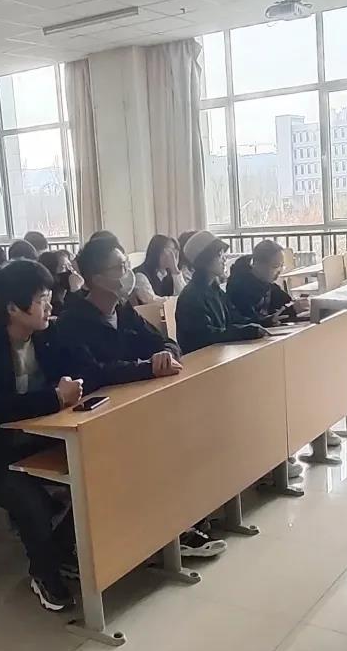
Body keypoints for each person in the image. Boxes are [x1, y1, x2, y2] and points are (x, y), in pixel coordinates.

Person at [55, 237, 226, 558]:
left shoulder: (123, 311)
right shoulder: (72, 322)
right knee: (153, 448)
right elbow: (93, 373)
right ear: (96, 278)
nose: (127, 273)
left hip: (134, 406)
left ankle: (181, 521)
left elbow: (165, 342)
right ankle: (166, 532)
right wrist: (147, 367)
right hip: (97, 420)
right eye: (119, 267)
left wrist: (165, 354)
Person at [0, 260, 84, 611]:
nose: (49, 307)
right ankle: (44, 572)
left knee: (97, 468)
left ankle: (60, 549)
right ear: (12, 308)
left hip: (40, 440)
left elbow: (79, 370)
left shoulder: (47, 335)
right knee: (30, 501)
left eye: (49, 298)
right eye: (41, 300)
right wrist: (55, 397)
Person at [175, 230, 265, 355]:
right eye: (219, 255)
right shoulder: (191, 296)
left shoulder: (216, 290)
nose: (224, 259)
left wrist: (264, 322)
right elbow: (207, 335)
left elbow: (235, 319)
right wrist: (247, 332)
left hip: (219, 354)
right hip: (201, 359)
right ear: (204, 260)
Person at [226, 240, 309, 327]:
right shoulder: (239, 288)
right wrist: (291, 311)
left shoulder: (267, 284)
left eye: (282, 266)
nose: (279, 271)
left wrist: (297, 305)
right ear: (257, 264)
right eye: (275, 266)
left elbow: (286, 302)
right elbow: (251, 322)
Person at [132, 234, 186, 305]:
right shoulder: (140, 274)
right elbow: (151, 301)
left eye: (175, 251)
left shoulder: (171, 273)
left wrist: (175, 270)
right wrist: (177, 299)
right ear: (156, 252)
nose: (174, 255)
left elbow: (185, 296)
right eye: (169, 251)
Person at [38, 249, 83, 316]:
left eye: (69, 266)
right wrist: (74, 291)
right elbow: (68, 316)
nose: (69, 271)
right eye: (63, 267)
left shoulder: (65, 290)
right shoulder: (47, 298)